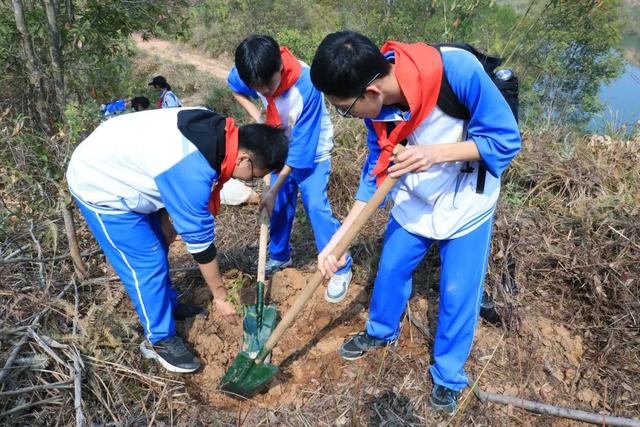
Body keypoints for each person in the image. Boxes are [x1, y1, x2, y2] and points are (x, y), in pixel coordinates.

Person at [310, 31, 521, 413]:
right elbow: (376, 176)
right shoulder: (377, 111)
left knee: (458, 292)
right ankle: (380, 331)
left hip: (465, 200)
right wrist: (338, 240)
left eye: (344, 108)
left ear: (371, 91)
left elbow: (506, 140)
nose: (345, 116)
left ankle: (448, 375)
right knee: (390, 268)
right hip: (414, 199)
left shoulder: (455, 71)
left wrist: (433, 154)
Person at [66, 107, 288, 373]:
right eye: (254, 175)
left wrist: (165, 217)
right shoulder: (192, 172)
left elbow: (160, 163)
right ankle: (158, 340)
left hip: (129, 164)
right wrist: (219, 295)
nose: (251, 181)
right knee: (147, 262)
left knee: (158, 243)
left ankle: (166, 305)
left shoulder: (217, 129)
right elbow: (201, 246)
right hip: (101, 183)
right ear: (242, 158)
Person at [227, 34, 353, 302]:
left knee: (315, 204)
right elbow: (234, 85)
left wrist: (274, 187)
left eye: (270, 86)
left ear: (280, 69)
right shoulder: (252, 71)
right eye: (259, 90)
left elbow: (302, 152)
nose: (266, 94)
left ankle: (340, 264)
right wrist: (253, 110)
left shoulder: (307, 86)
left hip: (312, 151)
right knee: (280, 205)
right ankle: (281, 255)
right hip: (279, 146)